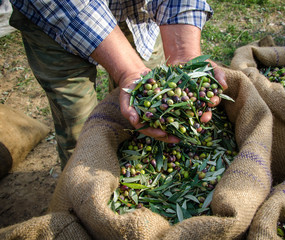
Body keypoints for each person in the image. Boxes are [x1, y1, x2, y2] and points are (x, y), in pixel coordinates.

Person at [9, 0, 227, 169]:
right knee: (80, 129)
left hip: (138, 17)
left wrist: (184, 54)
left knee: (143, 125)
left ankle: (132, 175)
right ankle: (82, 193)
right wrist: (127, 70)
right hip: (52, 21)